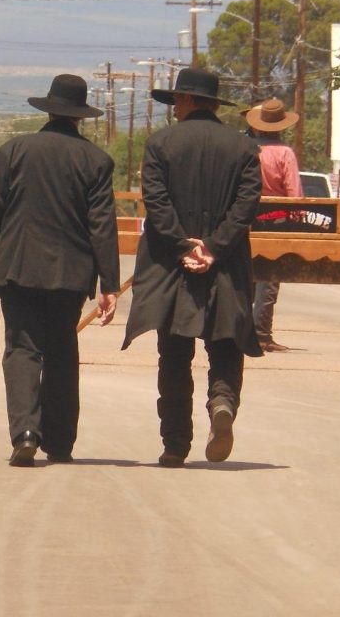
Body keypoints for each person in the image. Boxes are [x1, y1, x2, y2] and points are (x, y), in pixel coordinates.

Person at [122, 68, 262, 467]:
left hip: (171, 265)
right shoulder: (243, 148)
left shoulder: (161, 143)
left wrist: (185, 245)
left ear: (184, 101)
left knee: (174, 353)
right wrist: (214, 247)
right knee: (225, 344)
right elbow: (246, 206)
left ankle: (175, 444)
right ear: (214, 104)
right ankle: (222, 402)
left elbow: (157, 201)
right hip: (227, 262)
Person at [0, 74, 120, 467]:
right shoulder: (95, 161)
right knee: (61, 352)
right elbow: (102, 227)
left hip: (18, 268)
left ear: (48, 109)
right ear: (80, 116)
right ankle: (59, 443)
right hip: (70, 275)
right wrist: (110, 283)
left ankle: (25, 432)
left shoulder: (14, 150)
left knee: (22, 348)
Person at [246, 98, 302, 352]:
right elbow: (295, 195)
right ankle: (262, 333)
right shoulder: (284, 153)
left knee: (246, 275)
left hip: (245, 217)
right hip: (276, 219)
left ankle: (240, 328)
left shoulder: (246, 150)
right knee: (269, 276)